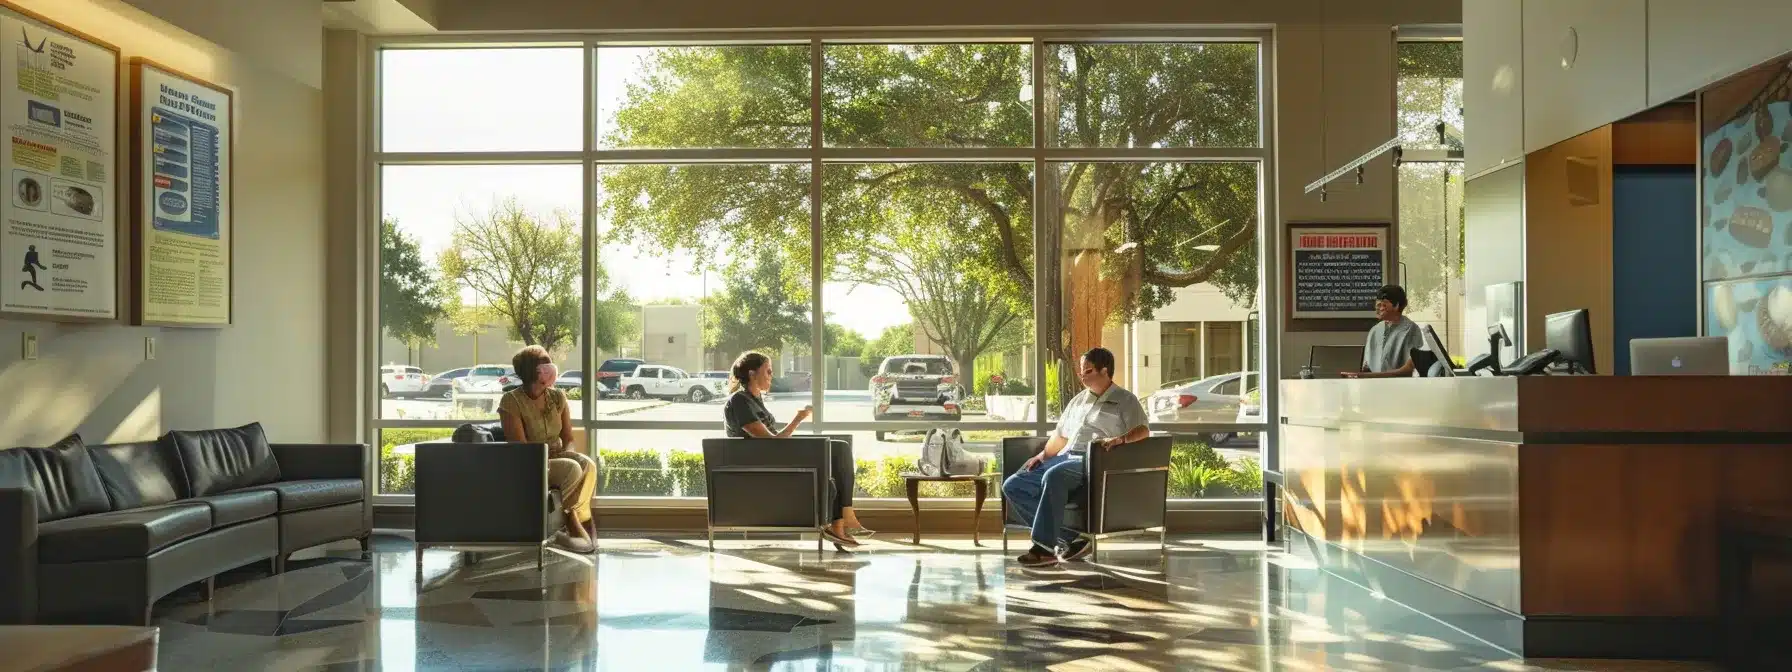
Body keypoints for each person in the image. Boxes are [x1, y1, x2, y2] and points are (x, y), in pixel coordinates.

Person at [1001, 347, 1150, 568]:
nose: (1082, 376)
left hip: (1093, 460)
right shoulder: (1078, 401)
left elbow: (1143, 431)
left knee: (1054, 476)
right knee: (1013, 485)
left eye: (1087, 371)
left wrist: (1120, 440)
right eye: (1081, 372)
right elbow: (1061, 435)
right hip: (1065, 456)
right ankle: (1069, 537)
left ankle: (1043, 549)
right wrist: (1042, 456)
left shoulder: (1125, 400)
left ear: (1104, 371)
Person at [722, 351, 869, 548]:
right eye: (768, 371)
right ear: (752, 373)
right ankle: (843, 518)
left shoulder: (754, 400)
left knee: (839, 448)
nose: (771, 376)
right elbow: (769, 442)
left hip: (774, 455)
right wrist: (798, 419)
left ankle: (840, 523)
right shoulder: (739, 401)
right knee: (838, 449)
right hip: (762, 461)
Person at [498, 345, 599, 553]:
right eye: (545, 365)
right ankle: (571, 523)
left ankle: (578, 518)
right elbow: (521, 450)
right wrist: (555, 460)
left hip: (558, 456)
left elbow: (568, 437)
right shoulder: (511, 401)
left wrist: (569, 452)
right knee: (572, 469)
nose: (551, 368)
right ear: (533, 371)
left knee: (587, 465)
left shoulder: (557, 397)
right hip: (532, 462)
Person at [1342, 285, 1424, 379]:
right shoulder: (1375, 330)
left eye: (1382, 305)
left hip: (1400, 387)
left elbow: (1409, 369)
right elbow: (1366, 367)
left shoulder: (1411, 329)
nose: (1377, 308)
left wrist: (1366, 376)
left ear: (1396, 306)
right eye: (1377, 304)